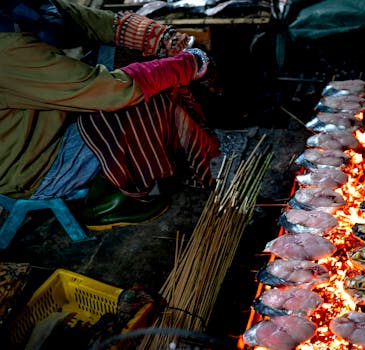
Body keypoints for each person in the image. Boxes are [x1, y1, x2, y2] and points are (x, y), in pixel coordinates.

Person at [0, 0, 220, 231]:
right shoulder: (6, 52)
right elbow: (112, 90)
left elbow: (82, 21)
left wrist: (162, 38)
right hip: (35, 167)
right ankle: (107, 203)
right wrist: (187, 65)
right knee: (147, 100)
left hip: (39, 121)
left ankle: (141, 160)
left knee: (124, 53)